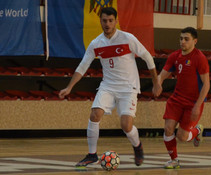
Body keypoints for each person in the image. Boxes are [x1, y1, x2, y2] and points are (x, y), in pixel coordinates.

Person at [59, 7, 160, 167]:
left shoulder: (127, 38)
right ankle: (92, 155)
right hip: (108, 86)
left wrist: (156, 82)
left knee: (126, 125)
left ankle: (137, 146)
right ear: (100, 21)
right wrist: (70, 87)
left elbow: (148, 58)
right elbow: (83, 66)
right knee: (94, 115)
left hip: (128, 87)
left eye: (110, 20)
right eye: (104, 20)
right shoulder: (96, 43)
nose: (107, 24)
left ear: (115, 21)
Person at [155, 27, 210, 169]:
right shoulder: (175, 56)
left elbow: (206, 85)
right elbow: (162, 74)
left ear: (195, 41)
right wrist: (158, 84)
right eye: (181, 39)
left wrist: (198, 105)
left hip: (193, 103)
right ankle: (174, 160)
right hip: (176, 99)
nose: (182, 42)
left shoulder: (200, 58)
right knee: (168, 129)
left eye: (186, 39)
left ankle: (197, 130)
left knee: (182, 137)